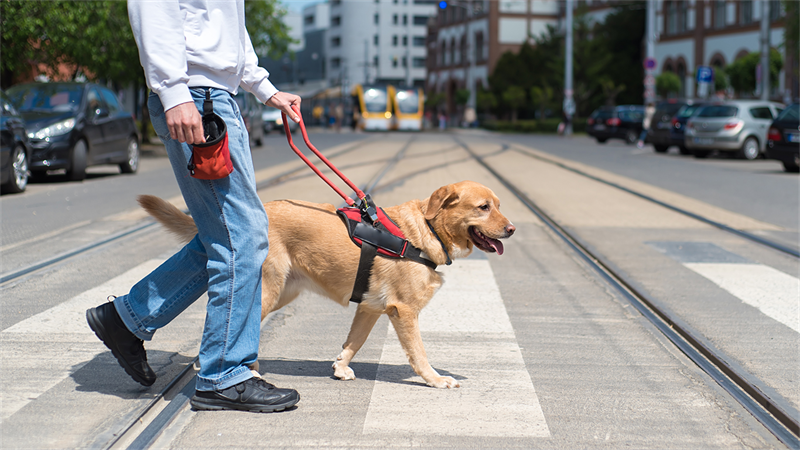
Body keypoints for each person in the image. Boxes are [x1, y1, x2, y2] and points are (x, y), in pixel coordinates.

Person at [85, 0, 302, 413]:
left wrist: (264, 87)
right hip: (196, 99)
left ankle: (126, 319)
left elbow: (226, 25)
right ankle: (224, 373)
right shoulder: (184, 92)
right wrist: (173, 90)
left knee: (231, 234)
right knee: (244, 237)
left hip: (215, 96)